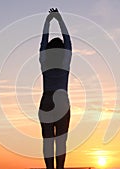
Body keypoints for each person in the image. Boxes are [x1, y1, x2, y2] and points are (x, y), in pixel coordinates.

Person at [38, 8, 72, 169]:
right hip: (62, 101)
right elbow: (68, 40)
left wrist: (48, 21)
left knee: (48, 140)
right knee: (61, 141)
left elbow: (43, 41)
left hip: (46, 101)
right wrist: (59, 19)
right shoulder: (65, 60)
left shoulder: (44, 60)